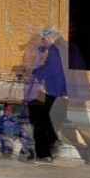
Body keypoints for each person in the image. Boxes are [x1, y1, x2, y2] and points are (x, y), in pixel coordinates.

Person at [25, 26, 67, 162]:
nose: (43, 42)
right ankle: (53, 140)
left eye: (44, 39)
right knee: (45, 117)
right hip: (57, 90)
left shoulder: (54, 51)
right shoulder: (60, 49)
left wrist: (35, 73)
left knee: (39, 119)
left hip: (51, 89)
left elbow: (51, 70)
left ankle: (44, 153)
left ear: (50, 38)